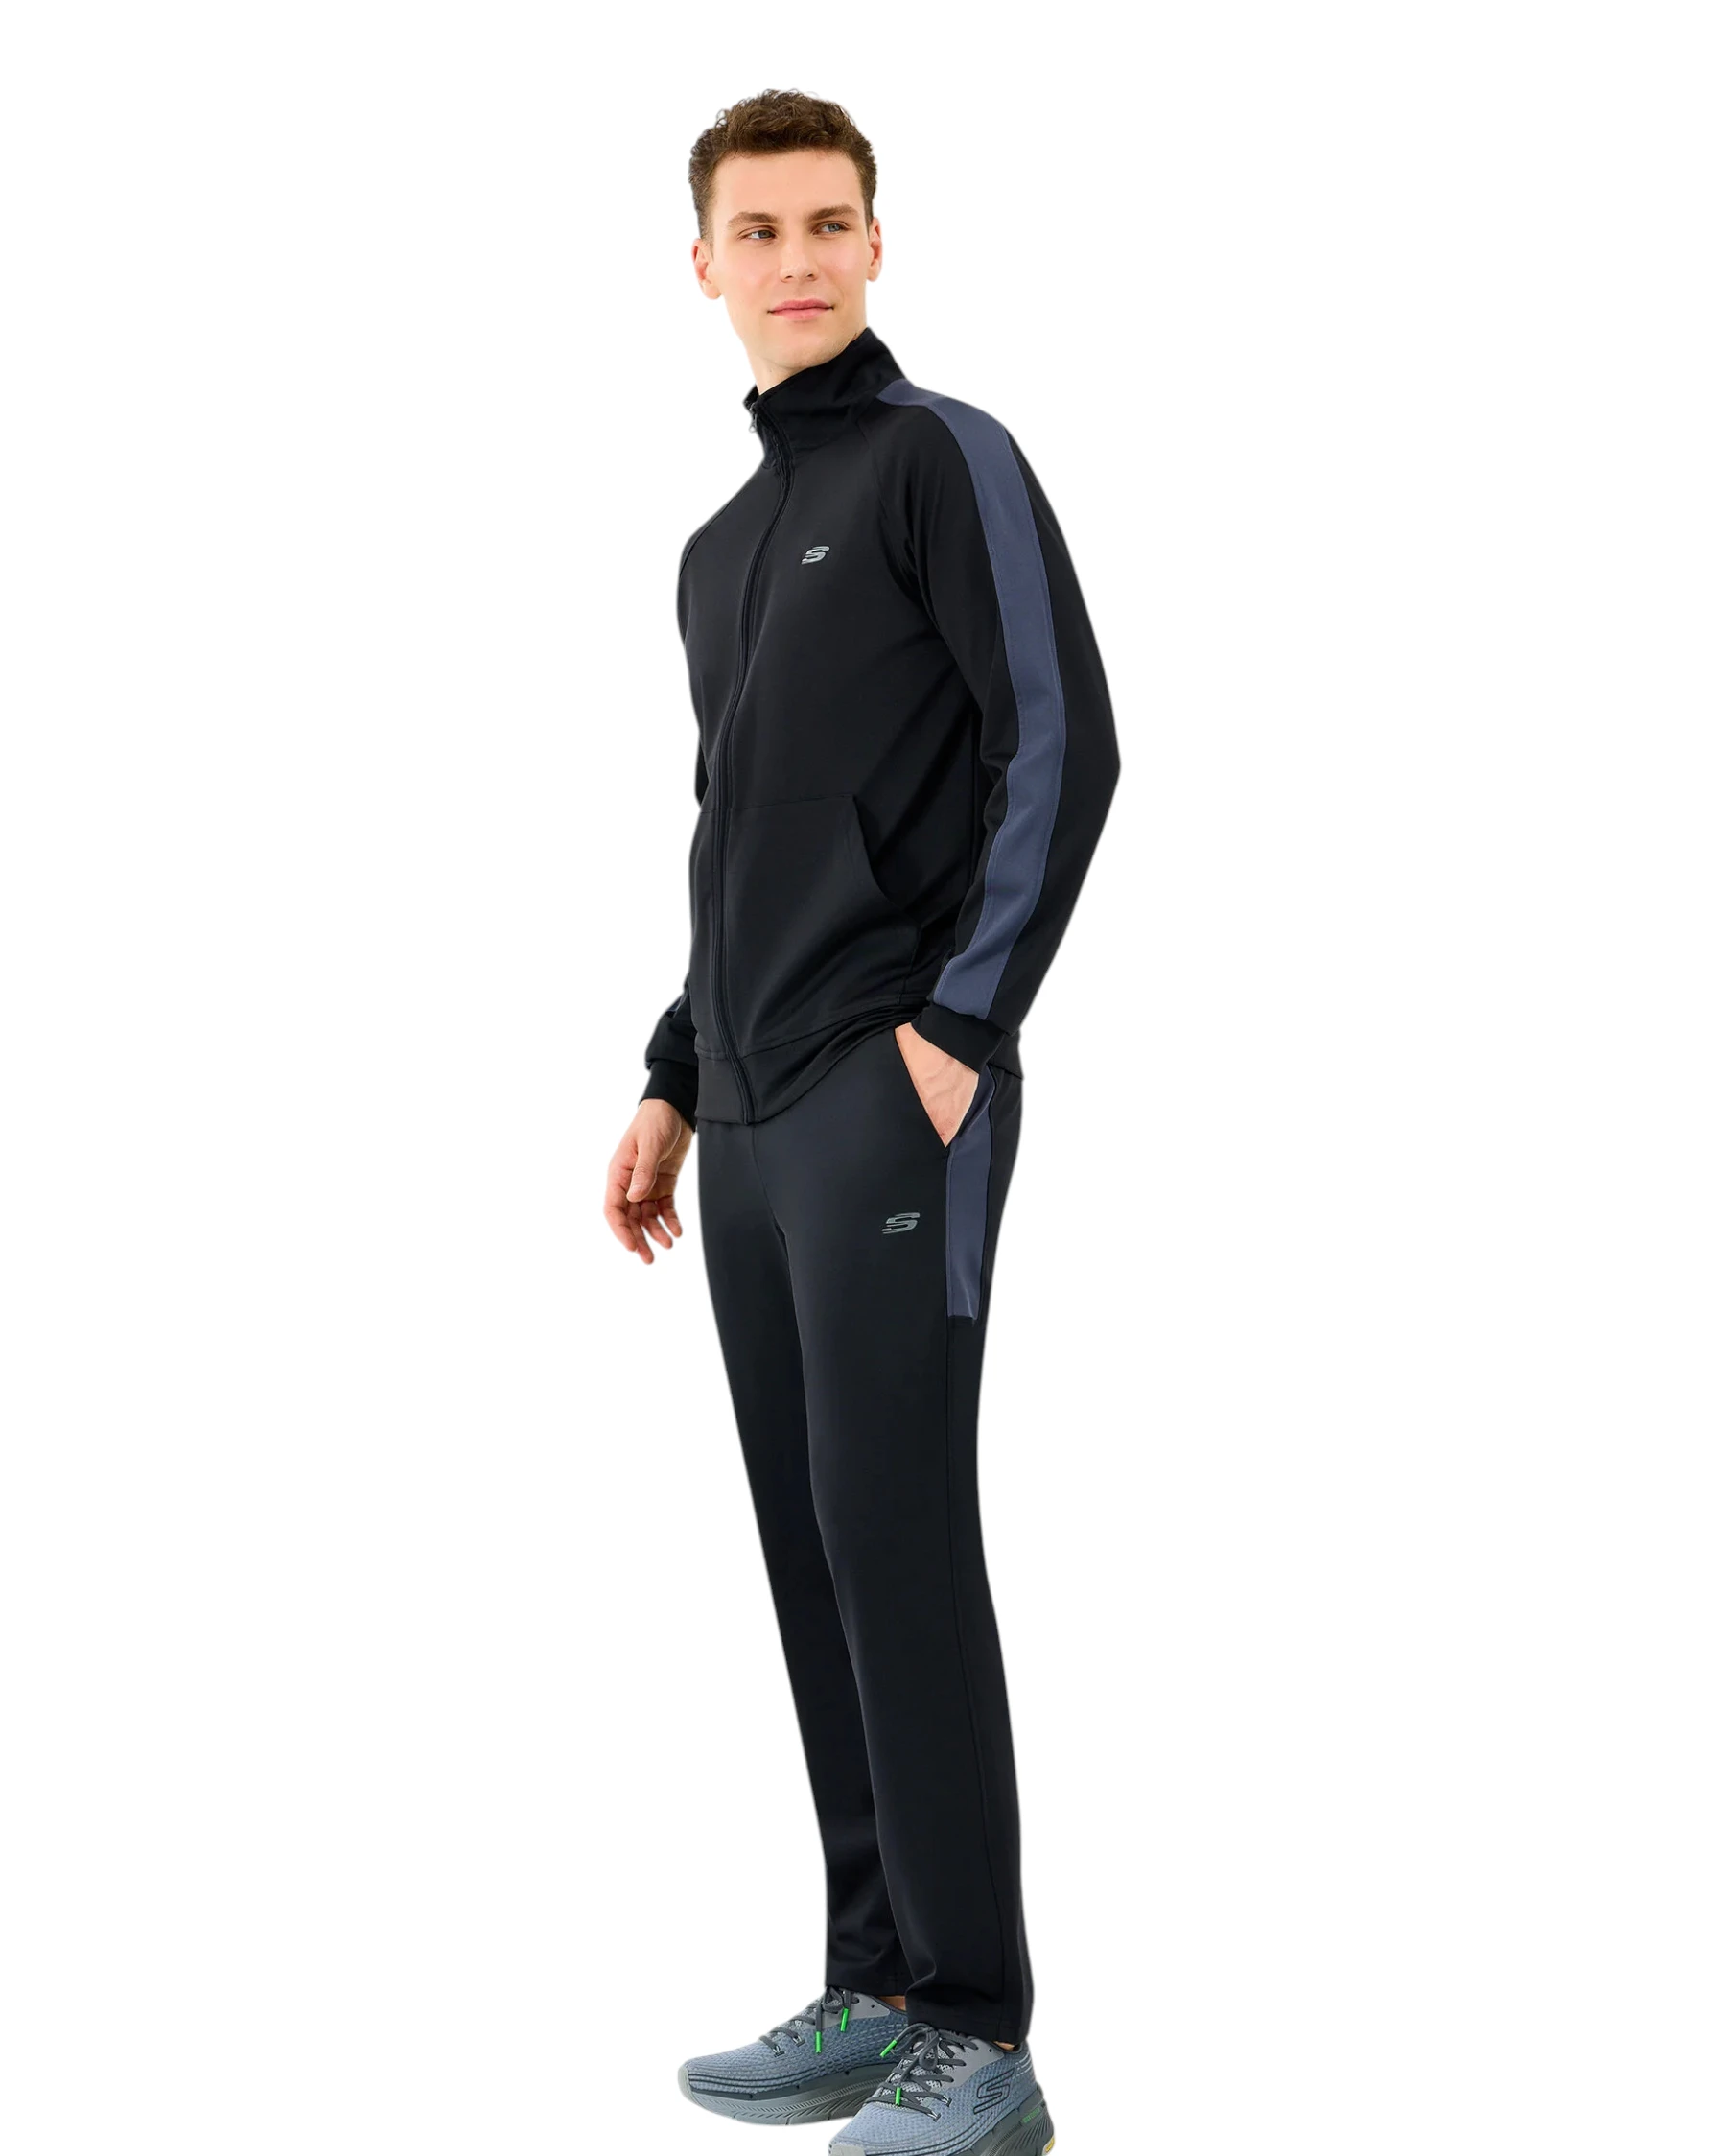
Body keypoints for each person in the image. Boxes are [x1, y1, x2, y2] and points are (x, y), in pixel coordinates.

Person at [602, 88, 1119, 2156]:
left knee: (897, 1530)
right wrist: (671, 1073)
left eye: (830, 222)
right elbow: (736, 839)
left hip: (891, 1089)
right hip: (749, 1107)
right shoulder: (719, 551)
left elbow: (1061, 740)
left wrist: (961, 1027)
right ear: (702, 266)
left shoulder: (939, 458)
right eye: (760, 229)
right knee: (812, 1538)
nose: (797, 259)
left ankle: (979, 2035)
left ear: (878, 246)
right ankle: (876, 1980)